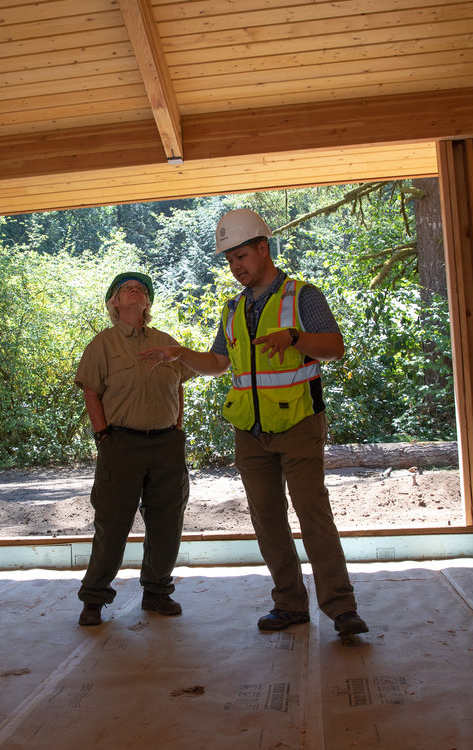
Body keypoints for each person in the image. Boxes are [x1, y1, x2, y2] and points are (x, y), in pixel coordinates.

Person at [141, 209, 368, 637]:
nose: (236, 267)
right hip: (249, 431)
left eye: (241, 256)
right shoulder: (233, 309)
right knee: (267, 519)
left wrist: (296, 338)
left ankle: (341, 609)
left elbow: (335, 348)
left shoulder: (302, 297)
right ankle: (289, 605)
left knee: (313, 516)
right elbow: (218, 364)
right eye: (229, 260)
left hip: (299, 422)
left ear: (263, 249)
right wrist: (179, 353)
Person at [74, 272, 195, 626]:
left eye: (141, 289)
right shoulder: (103, 344)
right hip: (120, 443)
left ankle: (157, 591)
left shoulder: (167, 341)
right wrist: (103, 436)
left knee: (167, 519)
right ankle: (94, 597)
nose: (135, 290)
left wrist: (176, 428)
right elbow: (91, 391)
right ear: (114, 302)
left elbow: (179, 386)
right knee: (112, 522)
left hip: (166, 444)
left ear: (148, 303)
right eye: (127, 288)